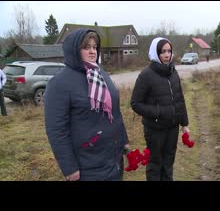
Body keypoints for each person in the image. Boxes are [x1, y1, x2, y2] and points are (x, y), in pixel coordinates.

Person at [44, 28, 129, 181]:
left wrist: (123, 139)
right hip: (88, 165)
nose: (92, 51)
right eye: (86, 47)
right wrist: (69, 168)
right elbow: (57, 130)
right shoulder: (59, 83)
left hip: (113, 157)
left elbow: (115, 112)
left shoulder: (101, 75)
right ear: (74, 51)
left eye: (94, 47)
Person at [130, 37, 191, 181]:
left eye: (169, 51)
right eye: (163, 51)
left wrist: (185, 123)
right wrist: (158, 112)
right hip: (155, 129)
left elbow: (179, 99)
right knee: (155, 164)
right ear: (155, 53)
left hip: (172, 127)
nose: (167, 54)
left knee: (168, 163)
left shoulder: (173, 71)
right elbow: (135, 103)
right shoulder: (146, 75)